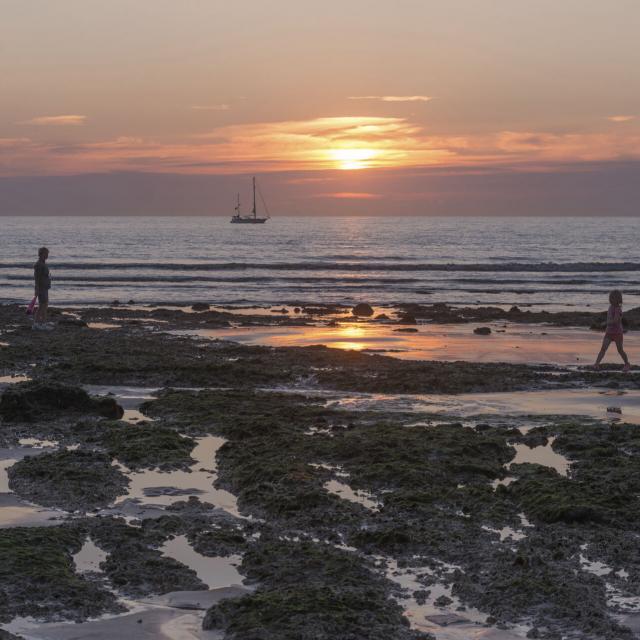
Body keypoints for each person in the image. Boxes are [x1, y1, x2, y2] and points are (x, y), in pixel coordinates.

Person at [594, 289, 630, 371]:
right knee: (603, 348)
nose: (610, 299)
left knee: (620, 350)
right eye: (610, 297)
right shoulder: (610, 307)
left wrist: (606, 323)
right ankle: (596, 364)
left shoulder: (618, 309)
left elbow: (616, 320)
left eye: (612, 298)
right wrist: (607, 324)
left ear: (618, 299)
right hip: (609, 332)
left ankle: (627, 364)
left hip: (617, 333)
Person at [33, 246, 52, 329]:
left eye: (47, 254)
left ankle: (40, 323)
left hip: (45, 288)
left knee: (44, 305)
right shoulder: (39, 264)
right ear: (41, 254)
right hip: (41, 288)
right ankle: (39, 324)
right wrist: (36, 289)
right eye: (46, 253)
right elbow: (36, 278)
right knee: (42, 306)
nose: (47, 255)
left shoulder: (43, 263)